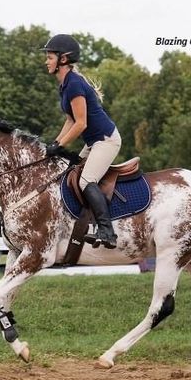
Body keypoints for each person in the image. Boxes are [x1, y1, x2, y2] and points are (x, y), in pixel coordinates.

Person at [41, 34, 122, 249]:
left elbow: (81, 124)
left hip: (106, 140)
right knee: (70, 172)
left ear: (63, 59)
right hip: (94, 142)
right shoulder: (66, 85)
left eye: (49, 57)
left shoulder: (74, 84)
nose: (46, 61)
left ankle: (107, 231)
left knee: (86, 181)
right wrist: (54, 143)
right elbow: (70, 120)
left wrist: (60, 146)